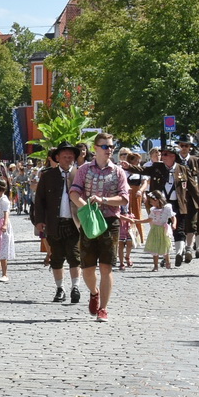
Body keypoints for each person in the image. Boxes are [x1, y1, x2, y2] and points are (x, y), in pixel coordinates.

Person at [68, 133, 128, 321]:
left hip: (110, 222)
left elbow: (124, 197)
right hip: (90, 222)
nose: (109, 150)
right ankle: (94, 292)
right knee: (87, 268)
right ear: (95, 148)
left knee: (106, 267)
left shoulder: (118, 171)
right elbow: (74, 192)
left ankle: (103, 308)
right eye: (105, 146)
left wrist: (103, 200)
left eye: (111, 146)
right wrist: (85, 207)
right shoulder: (85, 169)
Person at [32, 144, 81, 305]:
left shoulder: (80, 174)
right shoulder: (48, 176)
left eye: (71, 156)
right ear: (57, 158)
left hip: (75, 223)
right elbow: (39, 201)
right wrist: (39, 221)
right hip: (54, 223)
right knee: (57, 258)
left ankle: (75, 287)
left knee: (75, 256)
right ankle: (60, 288)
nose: (68, 158)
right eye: (64, 156)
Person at [143, 190, 173, 269]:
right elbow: (149, 219)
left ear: (156, 200)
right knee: (154, 247)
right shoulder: (153, 210)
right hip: (155, 229)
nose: (150, 203)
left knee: (165, 245)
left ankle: (168, 261)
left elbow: (173, 217)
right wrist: (138, 221)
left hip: (163, 229)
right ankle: (155, 265)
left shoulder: (167, 208)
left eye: (151, 201)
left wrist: (174, 224)